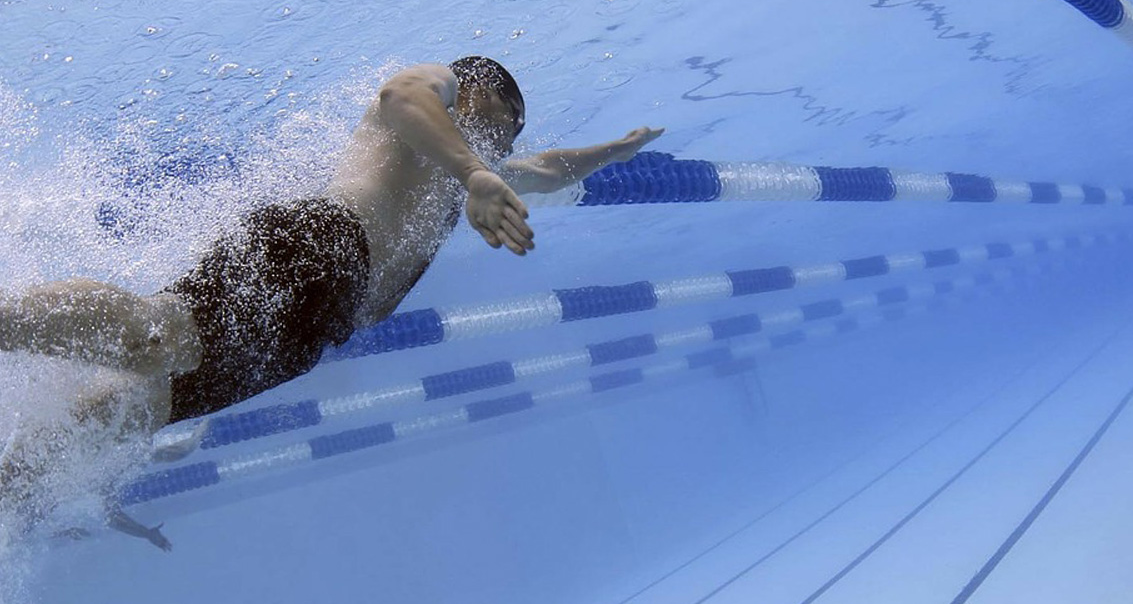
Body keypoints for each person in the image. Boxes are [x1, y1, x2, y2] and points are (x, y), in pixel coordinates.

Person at [0, 57, 664, 549]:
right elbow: (400, 95)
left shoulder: (471, 167)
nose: (505, 146)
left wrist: (617, 149)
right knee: (155, 337)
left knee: (125, 413)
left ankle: (9, 491)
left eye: (508, 142)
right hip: (319, 249)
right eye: (503, 126)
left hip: (313, 332)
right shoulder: (439, 97)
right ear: (476, 91)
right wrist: (477, 173)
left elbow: (548, 169)